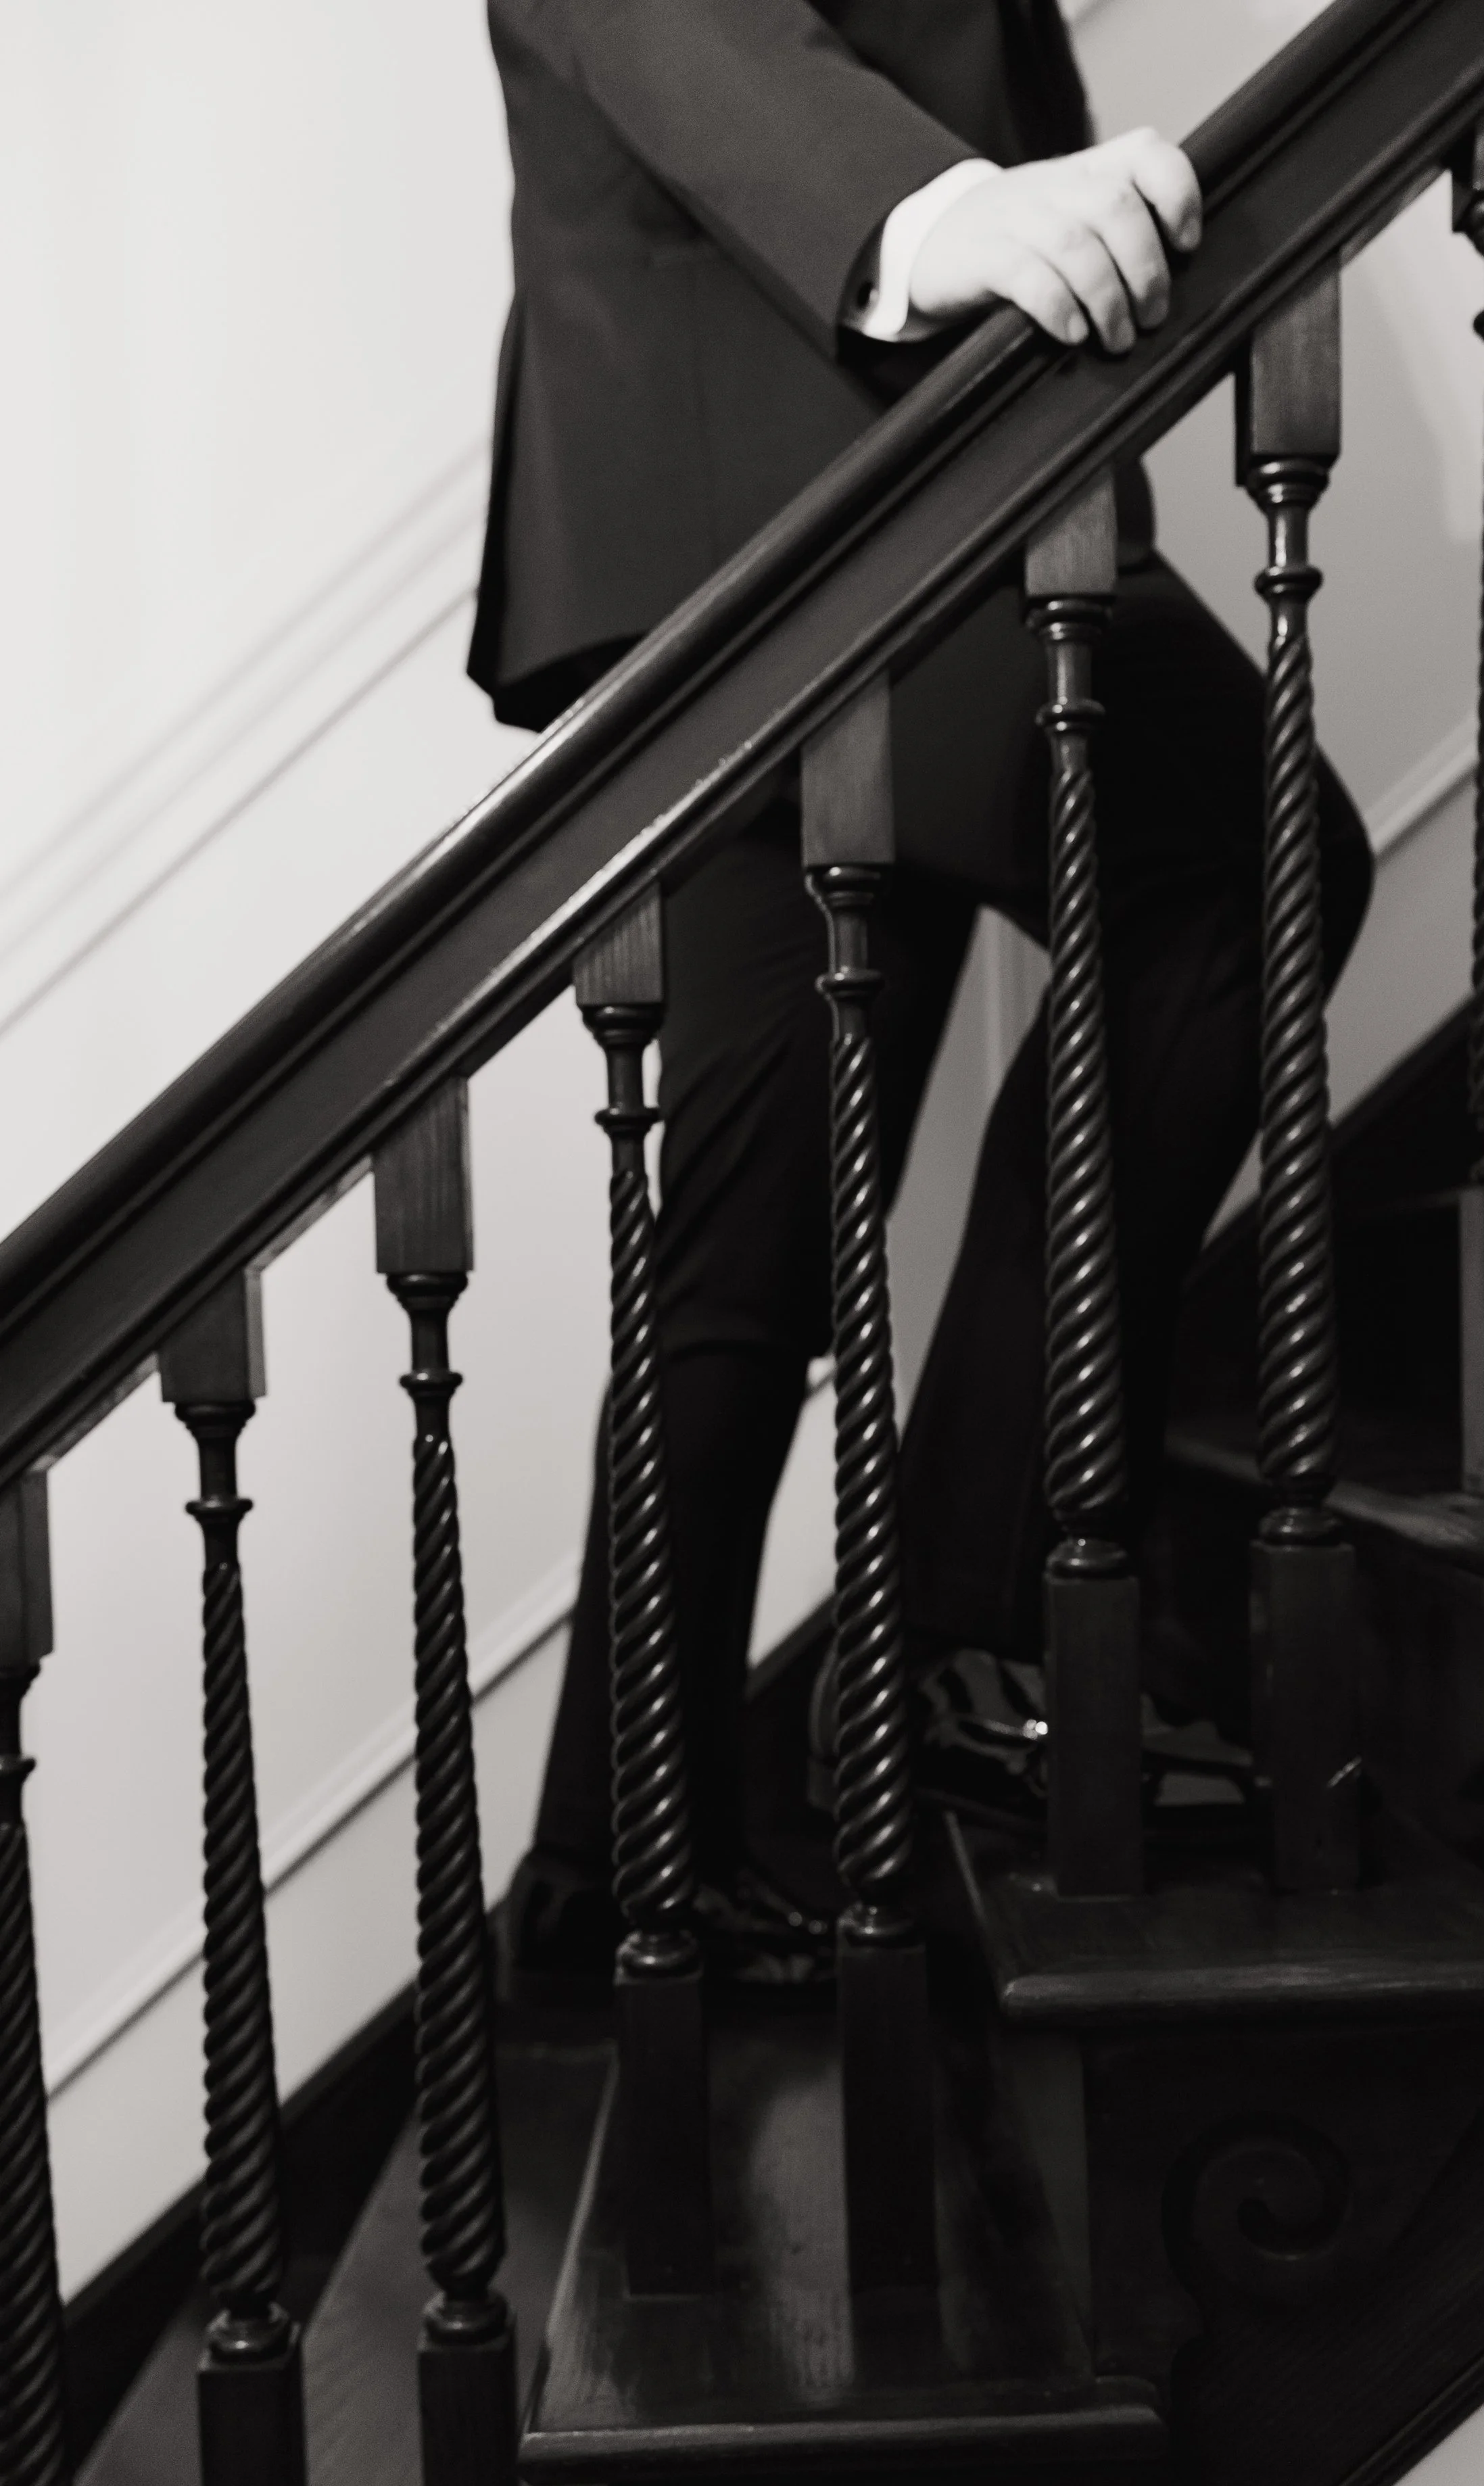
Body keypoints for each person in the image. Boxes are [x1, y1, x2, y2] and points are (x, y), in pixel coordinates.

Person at [469, 0, 1372, 1990]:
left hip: (753, 488)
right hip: (839, 455)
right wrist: (929, 215)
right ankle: (973, 1626)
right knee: (1247, 865)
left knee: (754, 1226)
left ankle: (614, 1868)